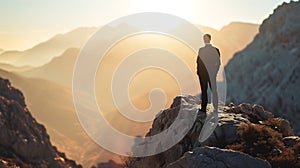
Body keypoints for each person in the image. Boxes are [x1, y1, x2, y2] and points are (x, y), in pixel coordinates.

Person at [196, 34, 220, 113]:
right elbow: (198, 62)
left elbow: (218, 63)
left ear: (209, 39)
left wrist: (199, 72)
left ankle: (205, 108)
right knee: (211, 91)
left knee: (207, 91)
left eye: (205, 38)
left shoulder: (202, 50)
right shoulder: (214, 50)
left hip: (205, 74)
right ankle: (213, 108)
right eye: (204, 38)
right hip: (208, 74)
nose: (205, 40)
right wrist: (215, 72)